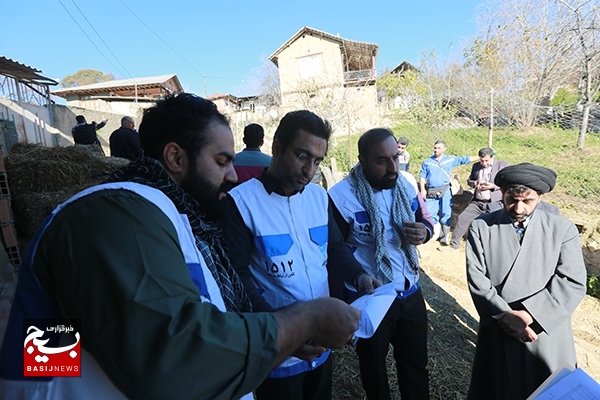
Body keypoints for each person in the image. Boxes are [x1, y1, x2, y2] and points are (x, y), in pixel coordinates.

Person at [0, 94, 362, 400]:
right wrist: (305, 321)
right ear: (175, 158)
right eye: (221, 161)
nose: (233, 176)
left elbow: (97, 334)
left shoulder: (174, 218)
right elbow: (178, 354)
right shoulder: (115, 212)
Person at [220, 110, 380, 400]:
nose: (310, 170)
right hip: (277, 355)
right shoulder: (241, 204)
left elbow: (334, 248)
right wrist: (283, 330)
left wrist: (360, 275)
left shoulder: (319, 197)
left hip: (321, 347)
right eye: (302, 156)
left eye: (317, 161)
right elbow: (237, 278)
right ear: (277, 148)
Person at [466, 163, 587, 400]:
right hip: (500, 325)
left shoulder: (563, 229)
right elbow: (478, 281)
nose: (518, 208)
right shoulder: (482, 226)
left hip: (544, 330)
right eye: (512, 199)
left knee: (545, 389)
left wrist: (528, 316)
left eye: (528, 201)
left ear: (540, 197)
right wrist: (508, 317)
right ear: (501, 192)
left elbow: (571, 280)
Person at [329, 128, 433, 400]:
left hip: (410, 290)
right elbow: (334, 248)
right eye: (381, 161)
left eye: (395, 158)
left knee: (415, 366)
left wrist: (424, 232)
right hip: (371, 295)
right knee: (373, 369)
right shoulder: (341, 196)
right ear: (362, 161)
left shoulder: (406, 183)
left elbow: (425, 219)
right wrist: (345, 294)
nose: (392, 168)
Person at [438, 148, 509, 252]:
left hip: (494, 202)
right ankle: (454, 246)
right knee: (462, 218)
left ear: (492, 157)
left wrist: (493, 186)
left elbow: (508, 184)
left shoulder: (502, 166)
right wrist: (474, 183)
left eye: (486, 161)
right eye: (481, 160)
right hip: (477, 201)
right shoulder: (476, 166)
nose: (484, 163)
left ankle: (493, 251)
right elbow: (469, 180)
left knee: (494, 227)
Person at [419, 140, 477, 244]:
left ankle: (445, 236)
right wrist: (422, 190)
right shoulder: (427, 161)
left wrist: (480, 156)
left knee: (446, 212)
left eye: (438, 148)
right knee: (429, 212)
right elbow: (422, 176)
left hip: (445, 190)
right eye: (435, 148)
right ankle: (434, 232)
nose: (436, 150)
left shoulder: (450, 160)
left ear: (444, 149)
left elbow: (465, 159)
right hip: (431, 190)